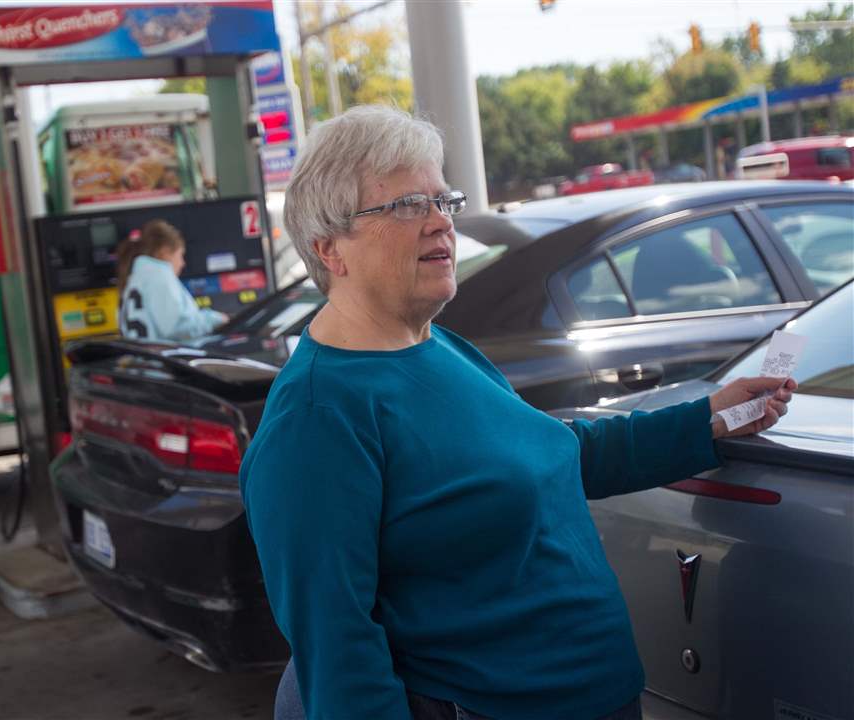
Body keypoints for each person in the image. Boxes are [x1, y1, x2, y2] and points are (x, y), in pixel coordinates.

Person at [238, 105, 796, 720]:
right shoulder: (317, 416)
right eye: (404, 206)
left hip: (593, 693)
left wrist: (706, 420)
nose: (440, 224)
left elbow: (559, 455)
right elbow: (336, 650)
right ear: (328, 249)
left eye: (442, 201)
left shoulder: (437, 346)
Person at [117, 219, 227, 341]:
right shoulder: (159, 274)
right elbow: (176, 328)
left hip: (143, 357)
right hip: (164, 357)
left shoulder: (134, 278)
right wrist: (215, 319)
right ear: (165, 252)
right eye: (180, 255)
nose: (183, 263)